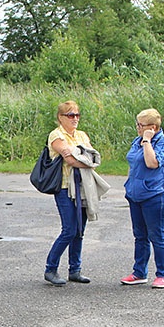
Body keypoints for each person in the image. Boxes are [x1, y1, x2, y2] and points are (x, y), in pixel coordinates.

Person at [43, 100, 98, 286]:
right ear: (60, 117)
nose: (75, 118)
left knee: (79, 230)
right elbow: (72, 159)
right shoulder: (56, 135)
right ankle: (50, 268)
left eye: (77, 115)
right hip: (65, 187)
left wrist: (80, 157)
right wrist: (84, 159)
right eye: (70, 115)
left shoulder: (82, 135)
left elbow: (91, 156)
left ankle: (75, 269)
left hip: (82, 187)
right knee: (69, 229)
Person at [121, 108, 164, 288]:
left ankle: (163, 274)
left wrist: (147, 140)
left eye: (141, 125)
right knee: (140, 236)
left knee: (156, 235)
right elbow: (133, 162)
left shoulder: (163, 143)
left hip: (155, 195)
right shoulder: (137, 141)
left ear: (153, 127)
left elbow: (152, 163)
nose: (137, 128)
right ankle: (139, 272)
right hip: (136, 195)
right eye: (137, 124)